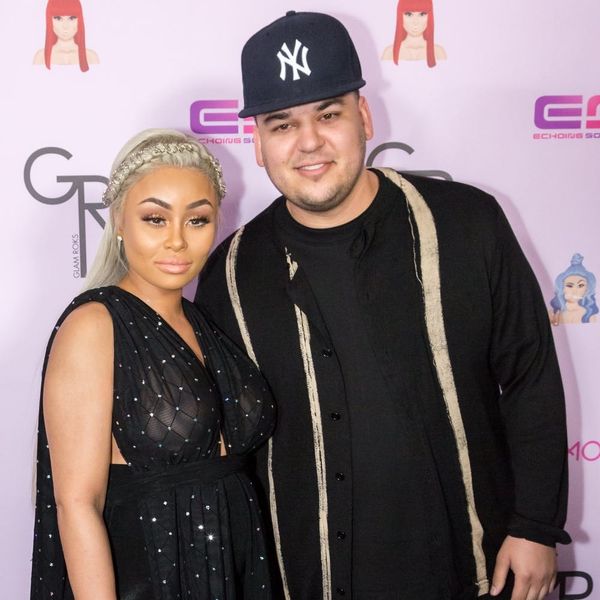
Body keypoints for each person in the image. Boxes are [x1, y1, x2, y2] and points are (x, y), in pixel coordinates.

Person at [195, 10, 571, 600]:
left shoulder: (466, 223)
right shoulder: (230, 272)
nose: (309, 141)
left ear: (364, 116)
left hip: (474, 569)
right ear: (258, 144)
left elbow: (530, 377)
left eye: (329, 114)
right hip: (310, 579)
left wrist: (535, 526)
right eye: (282, 124)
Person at [31, 129, 275, 599]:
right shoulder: (95, 325)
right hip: (153, 575)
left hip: (239, 571)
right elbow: (77, 503)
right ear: (119, 220)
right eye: (155, 219)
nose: (177, 241)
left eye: (197, 219)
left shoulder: (207, 323)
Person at [33, 0, 99, 71]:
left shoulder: (91, 57)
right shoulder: (40, 57)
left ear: (80, 20)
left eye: (72, 18)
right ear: (49, 20)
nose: (65, 26)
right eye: (58, 18)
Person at [381, 0, 446, 67]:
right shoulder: (389, 53)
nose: (415, 22)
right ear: (400, 15)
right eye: (409, 14)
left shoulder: (438, 53)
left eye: (422, 14)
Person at [549, 253, 598, 325]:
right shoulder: (552, 313)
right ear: (562, 288)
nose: (575, 291)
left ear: (587, 289)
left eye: (581, 285)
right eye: (569, 286)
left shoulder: (589, 316)